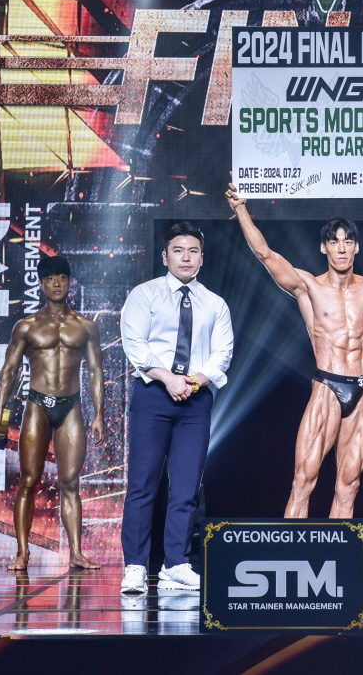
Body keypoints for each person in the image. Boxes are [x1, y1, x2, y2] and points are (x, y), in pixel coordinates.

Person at [226, 177, 363, 518]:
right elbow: (265, 253)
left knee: (349, 485)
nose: (342, 248)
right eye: (334, 242)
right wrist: (241, 209)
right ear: (324, 248)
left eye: (348, 242)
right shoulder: (308, 287)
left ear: (356, 248)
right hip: (328, 386)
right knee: (304, 480)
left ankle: (338, 550)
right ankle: (290, 548)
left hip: (362, 389)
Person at [119, 222, 233, 594]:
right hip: (153, 394)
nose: (186, 257)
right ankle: (135, 566)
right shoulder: (145, 294)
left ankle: (176, 565)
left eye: (193, 251)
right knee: (143, 484)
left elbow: (222, 354)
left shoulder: (215, 303)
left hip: (195, 401)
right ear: (165, 256)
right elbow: (134, 343)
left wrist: (194, 381)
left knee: (186, 487)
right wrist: (168, 378)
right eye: (178, 250)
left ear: (202, 258)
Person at [0, 254, 104, 571]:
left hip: (71, 407)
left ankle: (76, 552)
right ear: (41, 284)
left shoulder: (86, 326)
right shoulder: (27, 326)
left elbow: (95, 371)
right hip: (38, 405)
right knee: (29, 480)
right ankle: (22, 553)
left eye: (61, 278)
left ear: (69, 282)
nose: (56, 284)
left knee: (70, 482)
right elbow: (9, 371)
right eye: (50, 279)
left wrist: (99, 414)